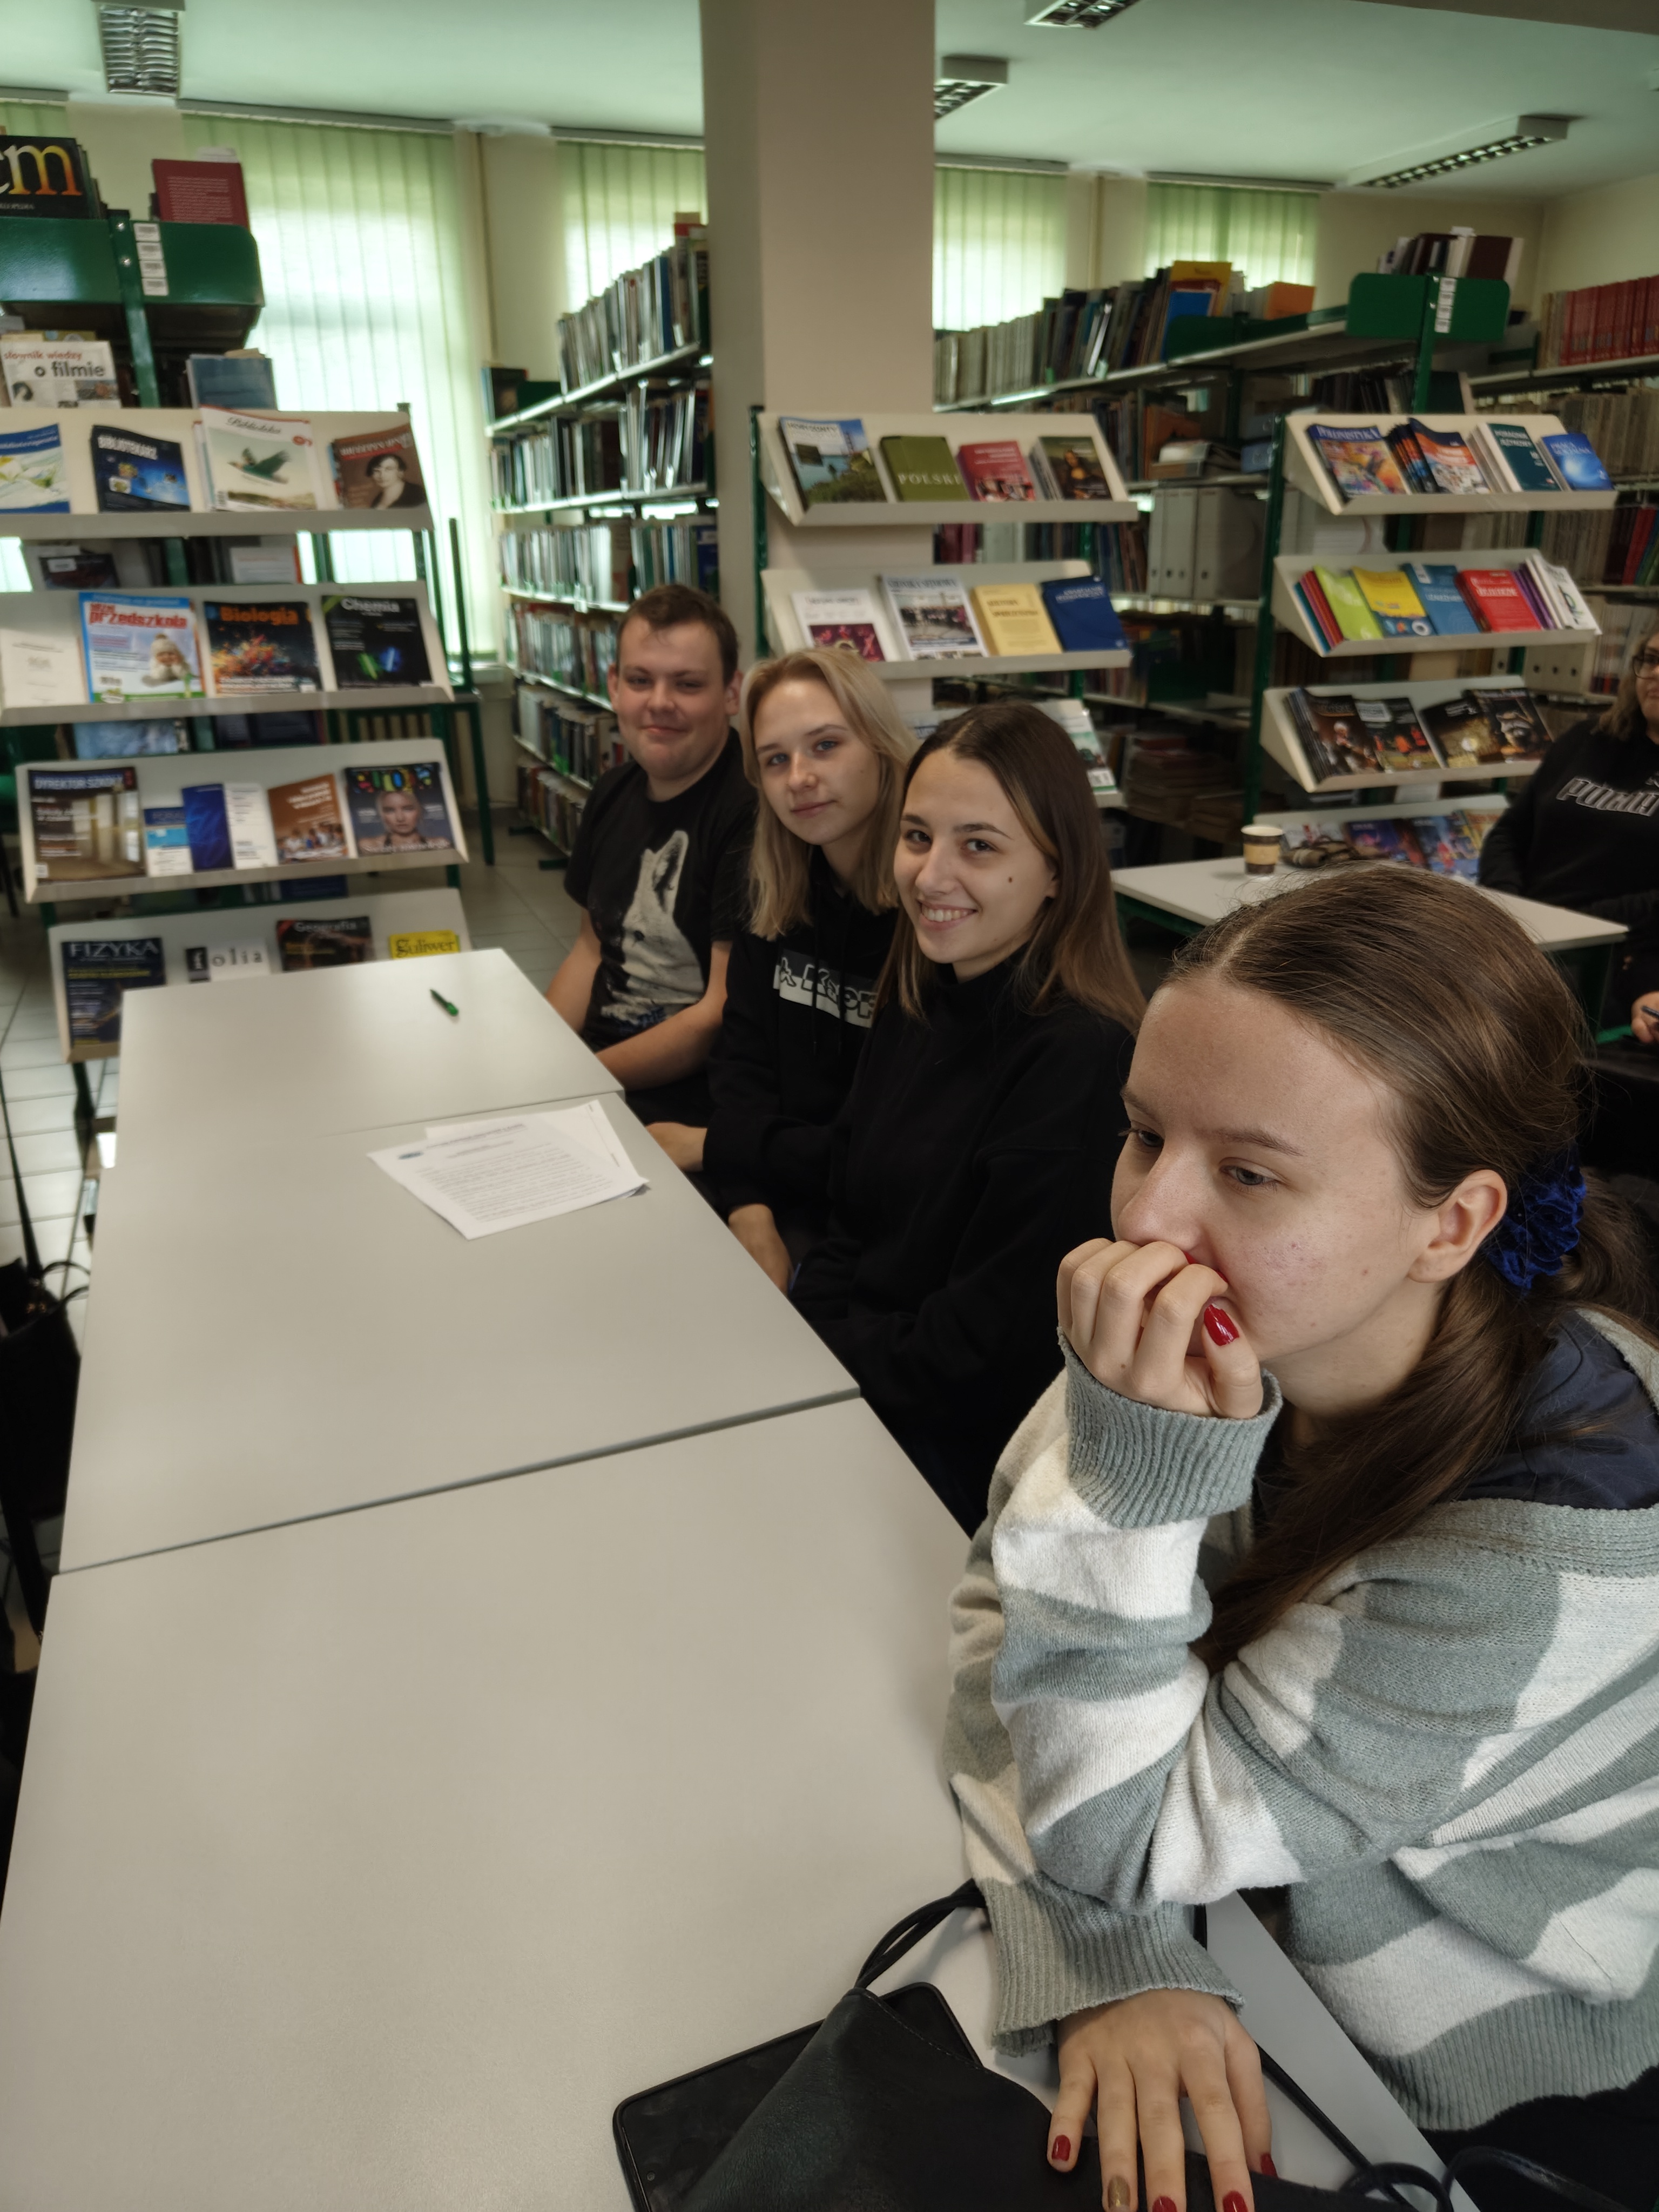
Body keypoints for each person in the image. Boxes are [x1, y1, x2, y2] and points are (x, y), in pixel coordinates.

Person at [945, 866, 1659, 2212]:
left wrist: (1125, 1490)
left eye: (1248, 1171)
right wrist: (1119, 1950)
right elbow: (1002, 1598)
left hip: (1446, 2061)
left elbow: (1109, 1817)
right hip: (1245, 1920)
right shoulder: (1229, 1327)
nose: (1146, 1218)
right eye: (1141, 1133)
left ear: (1448, 1223)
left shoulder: (1555, 1552)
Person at [792, 698, 1143, 1532]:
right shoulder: (921, 988)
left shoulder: (1080, 1057)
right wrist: (805, 1338)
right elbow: (851, 1212)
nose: (929, 875)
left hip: (957, 1454)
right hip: (858, 1379)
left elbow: (982, 1353)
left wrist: (812, 1359)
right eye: (917, 837)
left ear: (1058, 870)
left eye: (977, 846)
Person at [650, 646, 914, 1283]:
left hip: (876, 1225)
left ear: (881, 748)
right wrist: (750, 1212)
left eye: (825, 746)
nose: (798, 777)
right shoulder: (773, 893)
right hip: (771, 1190)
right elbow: (741, 1069)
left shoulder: (929, 916)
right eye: (776, 759)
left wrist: (711, 1146)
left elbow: (890, 1152)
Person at [546, 583, 752, 1126]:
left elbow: (716, 1014)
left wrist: (576, 1080)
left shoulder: (750, 813)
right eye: (640, 680)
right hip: (600, 1073)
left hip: (686, 1103)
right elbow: (589, 951)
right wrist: (539, 1062)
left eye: (687, 684)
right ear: (614, 686)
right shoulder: (612, 792)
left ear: (732, 692)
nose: (659, 703)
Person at [1479, 618, 1659, 1042]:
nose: (1655, 674)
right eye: (1651, 659)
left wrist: (1578, 929)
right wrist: (1507, 908)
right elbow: (1510, 832)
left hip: (1612, 955)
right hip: (1520, 933)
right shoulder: (1588, 738)